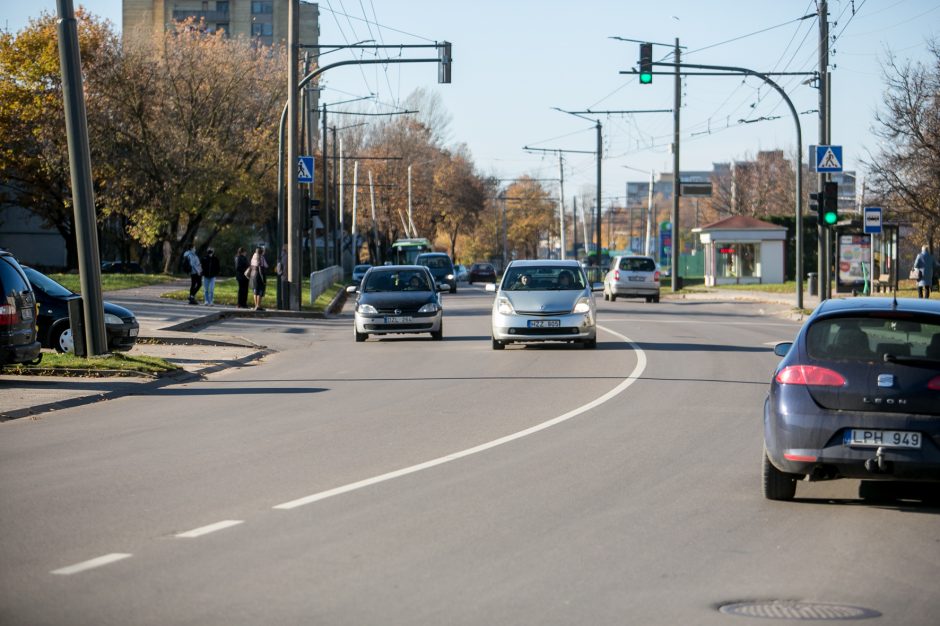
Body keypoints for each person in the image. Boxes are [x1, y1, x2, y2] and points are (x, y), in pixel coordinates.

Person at [248, 246, 268, 310]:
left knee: (255, 290)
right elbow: (266, 265)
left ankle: (255, 305)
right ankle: (258, 306)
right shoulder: (261, 257)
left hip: (253, 275)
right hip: (259, 275)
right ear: (262, 252)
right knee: (260, 290)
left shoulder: (254, 256)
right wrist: (263, 279)